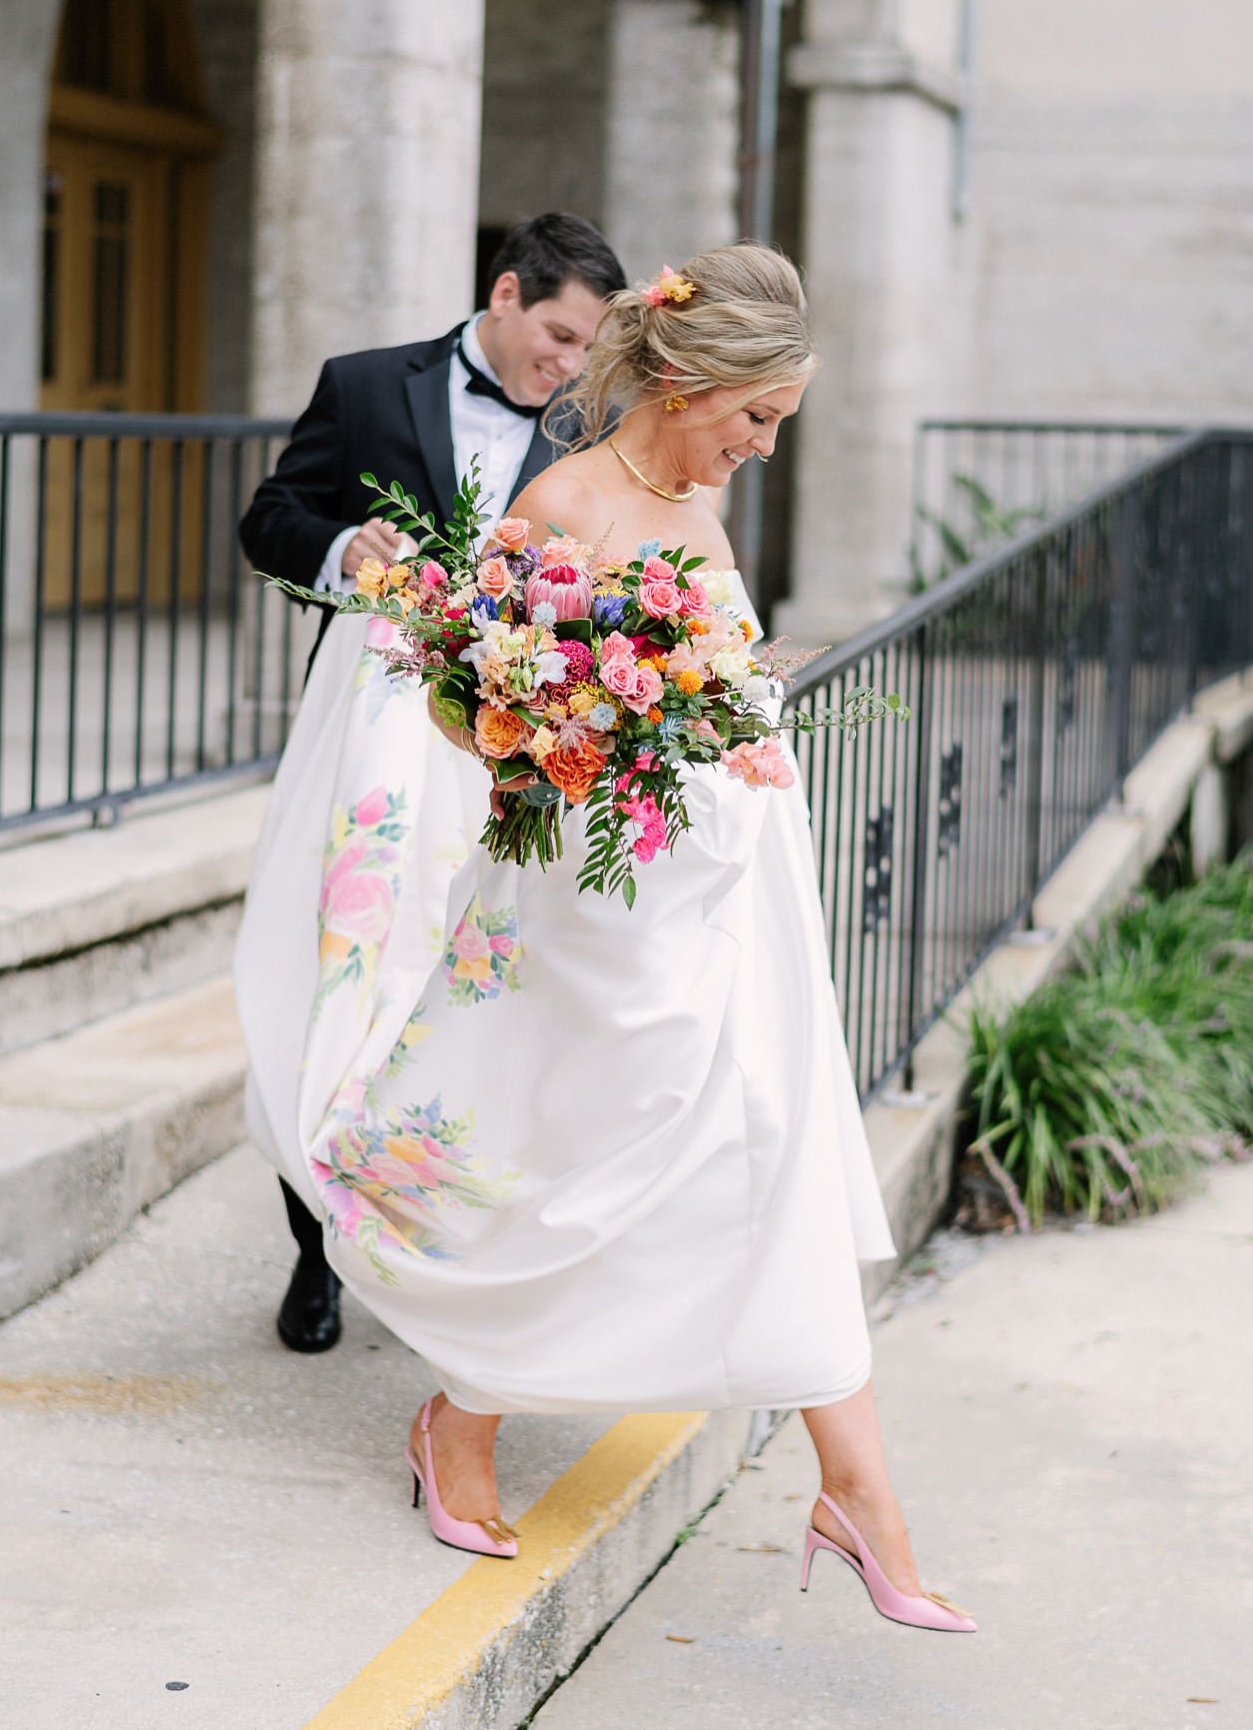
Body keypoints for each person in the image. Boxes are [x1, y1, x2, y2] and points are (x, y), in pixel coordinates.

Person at [234, 243, 975, 1631]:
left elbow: (729, 681)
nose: (759, 449)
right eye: (755, 418)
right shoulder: (559, 503)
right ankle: (462, 1416)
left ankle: (862, 1495)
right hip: (591, 902)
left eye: (778, 427)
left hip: (728, 891)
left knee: (766, 1150)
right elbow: (469, 706)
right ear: (689, 379)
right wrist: (577, 729)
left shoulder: (698, 502)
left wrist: (734, 718)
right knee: (557, 1160)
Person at [238, 213, 627, 1355]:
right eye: (556, 335)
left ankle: (433, 1258)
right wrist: (342, 547)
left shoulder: (595, 429)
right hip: (365, 742)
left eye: (585, 350)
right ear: (504, 294)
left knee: (465, 996)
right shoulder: (363, 387)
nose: (566, 366)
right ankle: (317, 1257)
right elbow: (271, 520)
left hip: (509, 760)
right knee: (341, 974)